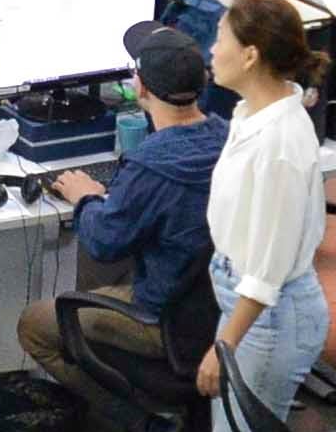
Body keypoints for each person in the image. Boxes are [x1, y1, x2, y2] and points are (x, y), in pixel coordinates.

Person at [181, 0, 334, 432]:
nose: (209, 51)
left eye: (218, 40)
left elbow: (267, 270)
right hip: (249, 303)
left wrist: (225, 347)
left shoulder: (279, 142)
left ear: (250, 53)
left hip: (264, 315)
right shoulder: (258, 110)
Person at [15, 21, 227, 375]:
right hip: (218, 309)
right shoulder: (228, 136)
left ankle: (129, 418)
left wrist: (86, 198)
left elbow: (103, 242)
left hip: (165, 321)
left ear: (139, 86)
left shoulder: (152, 164)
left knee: (35, 324)